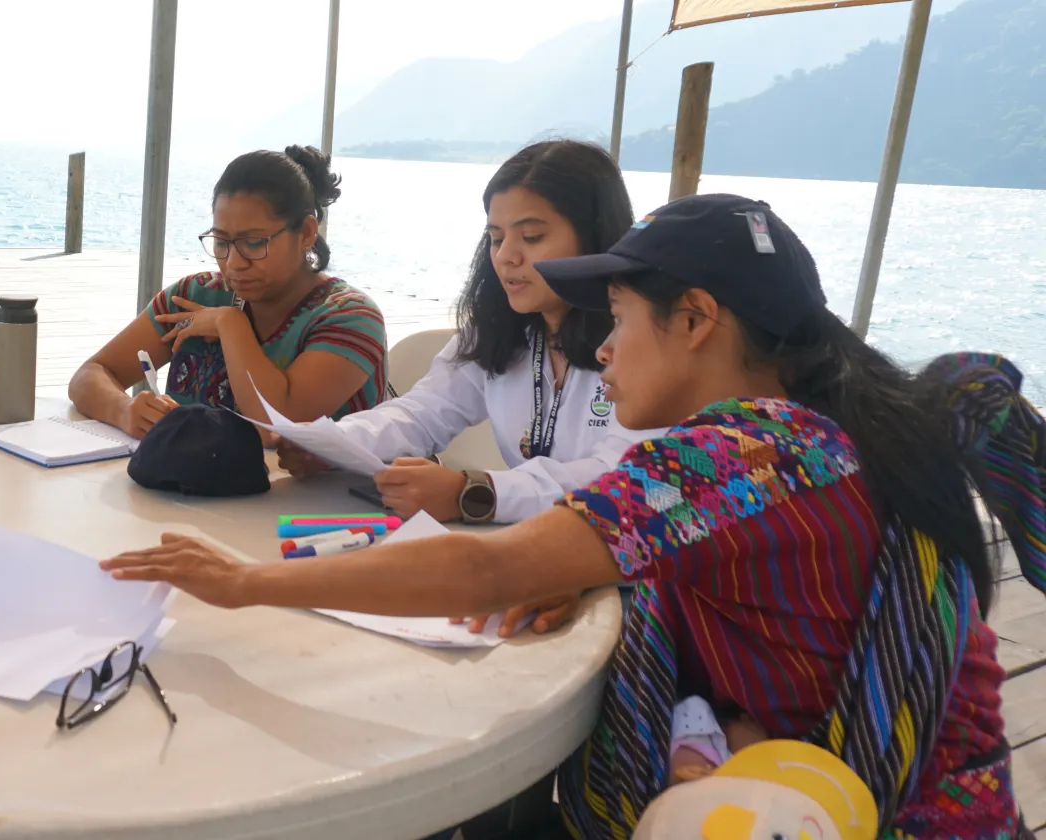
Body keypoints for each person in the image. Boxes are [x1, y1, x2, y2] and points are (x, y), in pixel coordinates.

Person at [101, 193, 1041, 838]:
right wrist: (592, 565)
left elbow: (486, 572)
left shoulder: (735, 452)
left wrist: (248, 583)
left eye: (621, 319)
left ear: (697, 319)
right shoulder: (834, 430)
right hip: (932, 792)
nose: (605, 348)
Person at [280, 140, 661, 638]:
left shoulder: (639, 347)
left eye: (532, 235)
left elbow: (620, 480)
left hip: (623, 591)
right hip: (534, 563)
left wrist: (473, 493)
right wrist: (330, 442)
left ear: (593, 239)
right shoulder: (500, 333)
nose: (507, 257)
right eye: (496, 237)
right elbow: (421, 413)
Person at [68, 146, 388, 438]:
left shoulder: (350, 318)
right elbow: (90, 375)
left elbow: (280, 422)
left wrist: (230, 324)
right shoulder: (196, 294)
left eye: (254, 243)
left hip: (316, 501)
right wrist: (123, 410)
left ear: (305, 233)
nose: (233, 264)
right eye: (221, 242)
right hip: (185, 495)